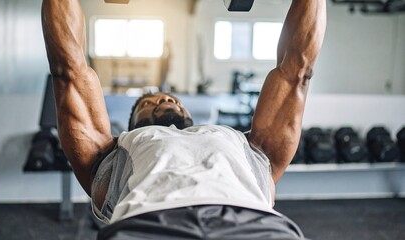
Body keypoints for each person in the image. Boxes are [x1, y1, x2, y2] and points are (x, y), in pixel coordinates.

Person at [41, 0, 326, 239]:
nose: (165, 100)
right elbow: (69, 69)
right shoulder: (110, 154)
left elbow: (296, 70)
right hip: (148, 227)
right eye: (149, 103)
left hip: (257, 227)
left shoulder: (245, 146)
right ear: (131, 125)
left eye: (171, 99)